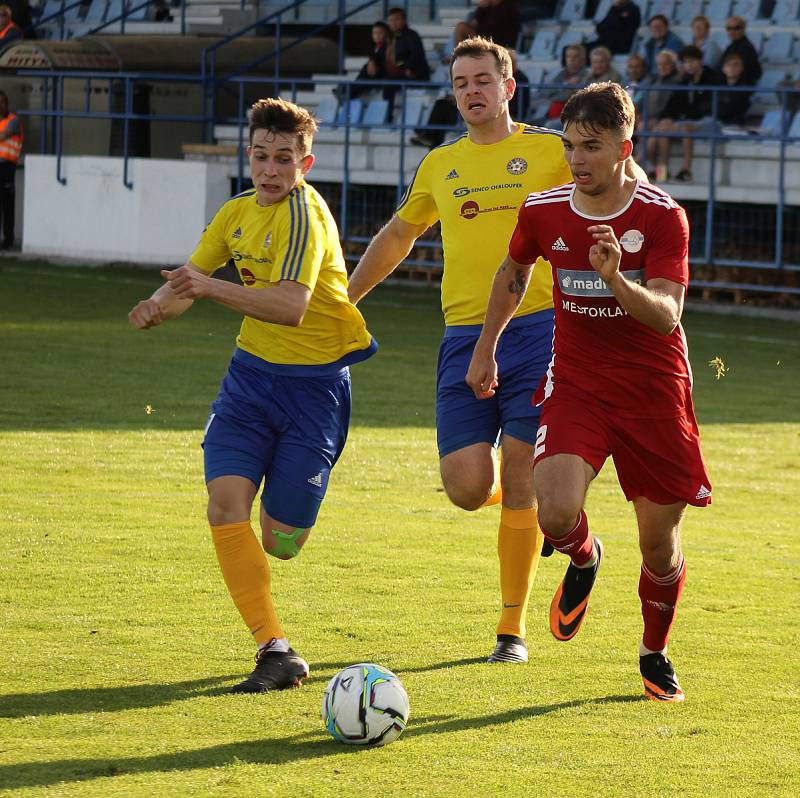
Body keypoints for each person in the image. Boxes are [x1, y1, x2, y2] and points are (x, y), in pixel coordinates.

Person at [349, 36, 646, 663]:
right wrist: (348, 297)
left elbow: (623, 177)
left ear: (509, 87)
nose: (471, 92)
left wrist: (638, 223)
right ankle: (539, 513)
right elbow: (400, 233)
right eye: (460, 83)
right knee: (463, 486)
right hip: (463, 335)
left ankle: (510, 633)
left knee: (517, 473)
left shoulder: (547, 150)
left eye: (483, 80)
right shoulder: (440, 165)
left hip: (543, 329)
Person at [467, 81, 712, 702]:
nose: (578, 160)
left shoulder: (661, 216)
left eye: (592, 147)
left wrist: (616, 281)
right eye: (571, 145)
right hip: (577, 383)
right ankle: (582, 555)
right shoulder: (545, 209)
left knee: (658, 547)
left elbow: (667, 315)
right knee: (550, 511)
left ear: (626, 145)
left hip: (655, 393)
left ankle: (654, 650)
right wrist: (485, 344)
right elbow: (514, 271)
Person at [127, 98, 377, 693]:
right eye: (261, 156)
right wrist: (158, 306)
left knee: (280, 541)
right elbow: (190, 280)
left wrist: (207, 289)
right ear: (250, 155)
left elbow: (290, 307)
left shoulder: (304, 217)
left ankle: (292, 519)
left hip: (314, 390)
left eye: (283, 159)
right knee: (224, 505)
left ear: (305, 162)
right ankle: (276, 648)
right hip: (248, 381)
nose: (270, 170)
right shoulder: (236, 213)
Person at [648, 45, 724, 182]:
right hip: (689, 120)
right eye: (685, 62)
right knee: (664, 129)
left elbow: (710, 106)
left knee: (685, 128)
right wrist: (666, 119)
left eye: (692, 61)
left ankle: (686, 170)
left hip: (711, 120)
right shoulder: (685, 80)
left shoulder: (714, 78)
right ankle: (662, 172)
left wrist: (683, 119)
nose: (688, 65)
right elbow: (673, 104)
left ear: (700, 61)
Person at [535, 44, 589, 128]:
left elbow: (568, 97)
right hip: (549, 115)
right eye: (568, 56)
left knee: (548, 126)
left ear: (582, 60)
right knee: (526, 125)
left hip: (569, 119)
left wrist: (555, 93)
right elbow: (545, 92)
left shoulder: (586, 76)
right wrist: (566, 85)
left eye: (575, 57)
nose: (571, 60)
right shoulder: (561, 74)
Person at [349, 21, 399, 100]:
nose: (377, 36)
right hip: (375, 76)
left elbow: (400, 62)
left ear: (386, 34)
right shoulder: (375, 47)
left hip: (387, 78)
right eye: (374, 33)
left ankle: (350, 91)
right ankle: (351, 90)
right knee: (366, 68)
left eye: (380, 33)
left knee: (366, 69)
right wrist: (371, 61)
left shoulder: (392, 46)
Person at [0, 90, 22, 249]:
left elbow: (3, 136)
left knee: (7, 204)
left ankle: (8, 240)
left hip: (7, 166)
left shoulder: (13, 120)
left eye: (1, 102)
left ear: (6, 103)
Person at [454, 0, 521, 50]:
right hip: (483, 38)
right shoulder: (487, 8)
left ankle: (460, 56)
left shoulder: (508, 7)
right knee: (461, 26)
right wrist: (481, 8)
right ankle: (459, 55)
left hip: (498, 43)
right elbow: (474, 24)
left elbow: (497, 29)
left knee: (461, 27)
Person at [387, 7, 430, 83]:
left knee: (388, 84)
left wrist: (408, 67)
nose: (393, 23)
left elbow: (416, 54)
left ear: (404, 20)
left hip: (413, 73)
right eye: (391, 20)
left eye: (396, 19)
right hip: (397, 70)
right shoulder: (390, 37)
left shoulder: (411, 35)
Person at [720, 16, 762, 87]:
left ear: (744, 29)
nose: (732, 31)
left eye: (736, 28)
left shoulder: (747, 49)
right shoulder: (730, 47)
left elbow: (747, 73)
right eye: (729, 28)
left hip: (740, 88)